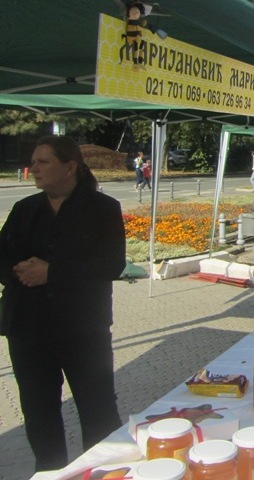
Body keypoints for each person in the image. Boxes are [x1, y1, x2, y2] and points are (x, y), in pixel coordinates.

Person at [0, 135, 126, 472]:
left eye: (43, 162)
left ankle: (103, 472)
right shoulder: (24, 208)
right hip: (28, 330)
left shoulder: (103, 209)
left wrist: (52, 272)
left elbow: (111, 263)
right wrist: (21, 274)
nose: (34, 168)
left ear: (69, 167)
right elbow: (3, 256)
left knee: (98, 410)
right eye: (34, 161)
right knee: (39, 414)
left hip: (82, 330)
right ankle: (50, 472)